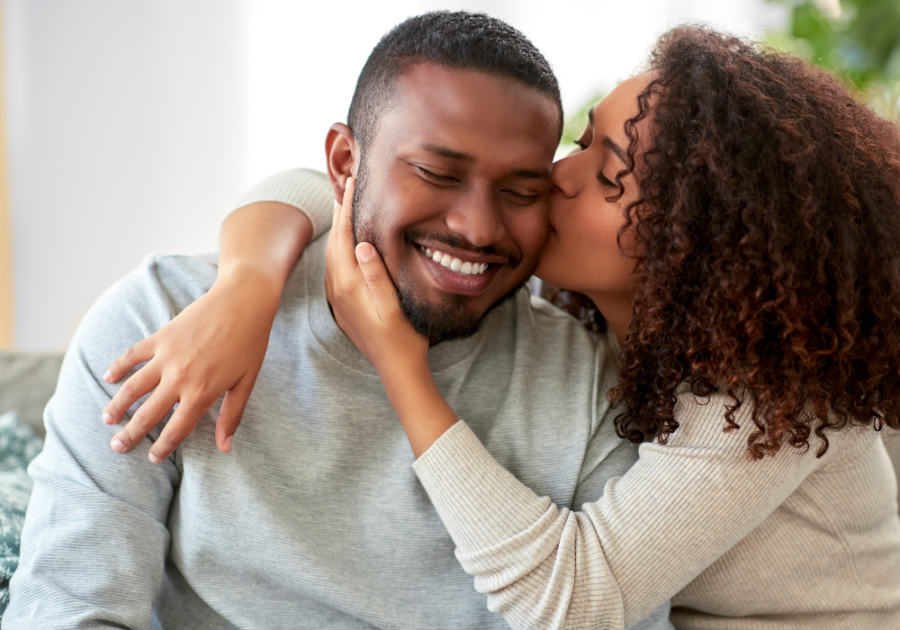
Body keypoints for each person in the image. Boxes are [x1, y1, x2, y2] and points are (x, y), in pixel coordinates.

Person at [102, 26, 900, 630]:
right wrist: (246, 283)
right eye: (580, 142)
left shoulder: (765, 402)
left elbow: (576, 596)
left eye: (605, 175)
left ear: (696, 241)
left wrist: (401, 366)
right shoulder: (615, 329)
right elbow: (326, 184)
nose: (558, 175)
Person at [4, 12, 673, 630]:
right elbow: (70, 609)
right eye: (437, 173)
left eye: (522, 191)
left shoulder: (591, 387)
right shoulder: (161, 317)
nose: (477, 226)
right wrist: (248, 279)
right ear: (345, 163)